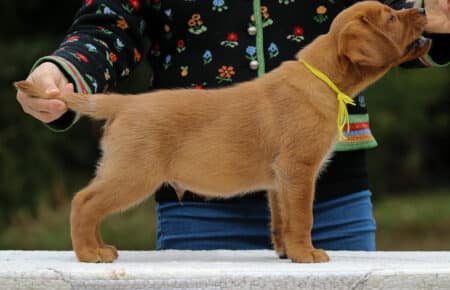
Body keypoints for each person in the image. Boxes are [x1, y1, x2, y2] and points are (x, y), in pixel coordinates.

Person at [16, 0, 449, 251]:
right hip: (198, 208)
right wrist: (68, 69)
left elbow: (397, 18)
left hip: (334, 202)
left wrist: (435, 18)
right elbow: (111, 22)